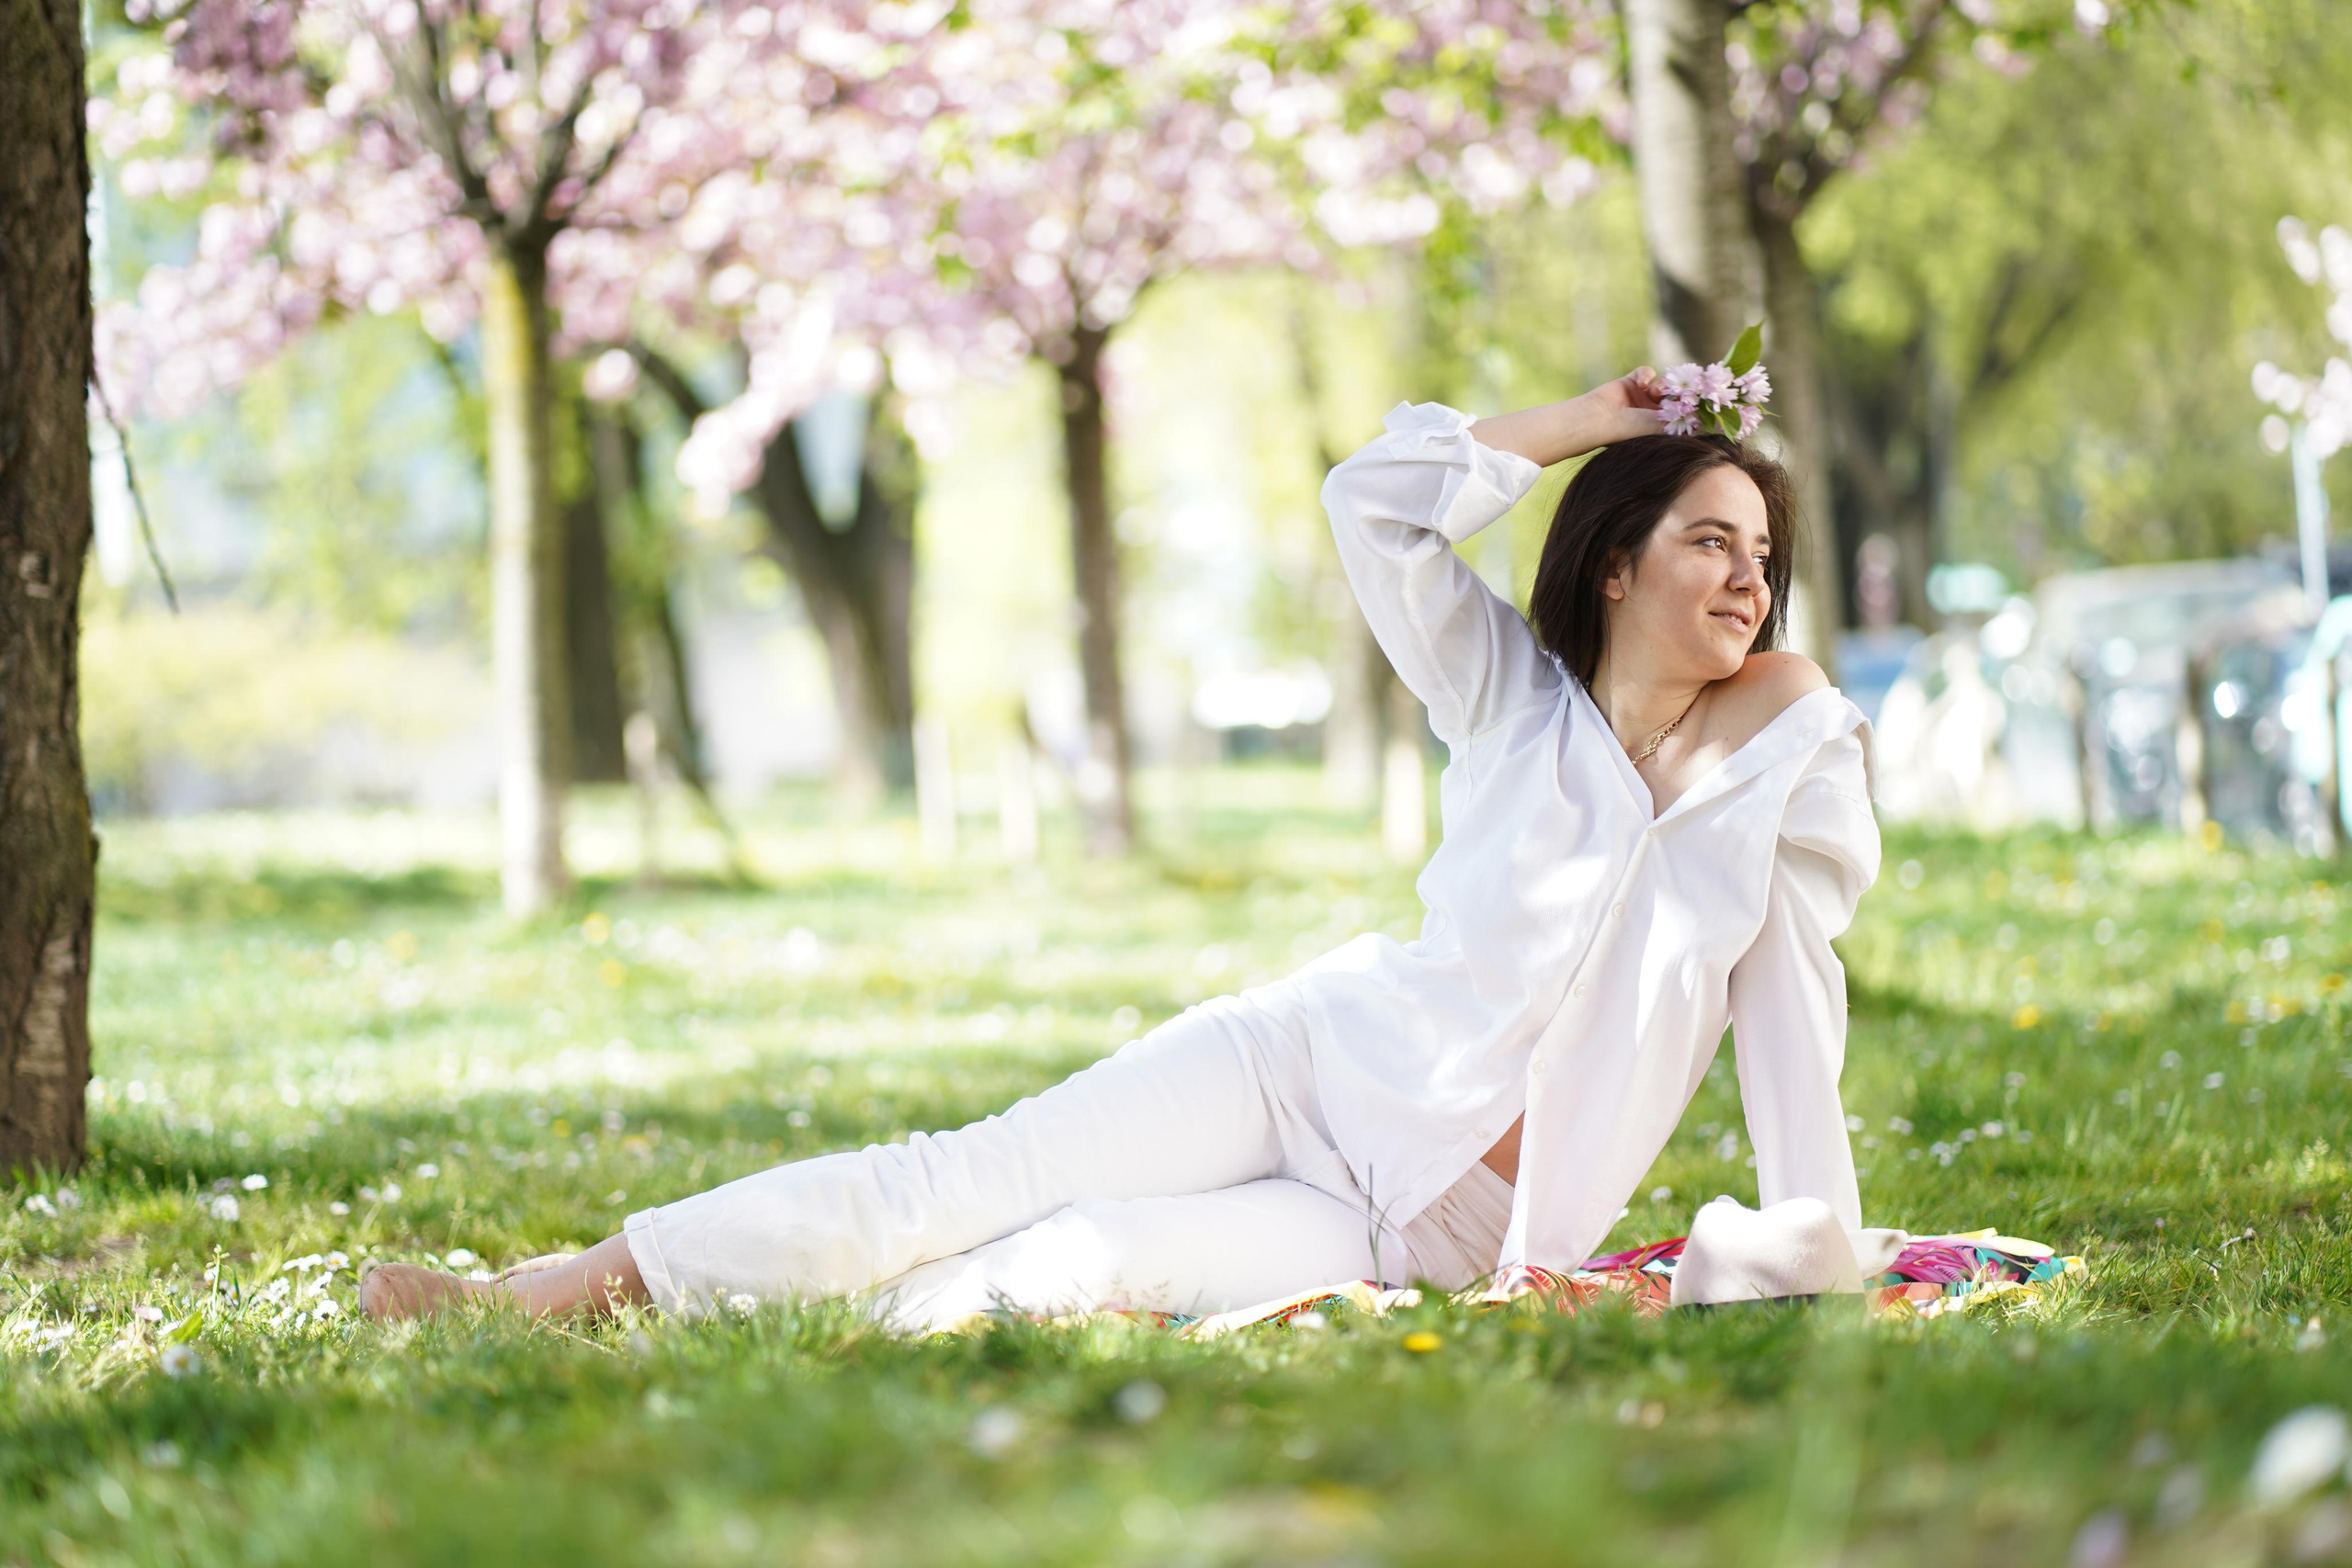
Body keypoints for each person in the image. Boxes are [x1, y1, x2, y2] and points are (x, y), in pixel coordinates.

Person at [360, 368, 1880, 1328]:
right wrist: (1602, 418)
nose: (1747, 581)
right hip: (1303, 1061)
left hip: (1428, 1225)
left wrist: (1817, 1229)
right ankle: (549, 1294)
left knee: (1083, 1264)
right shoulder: (1509, 697)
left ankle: (772, 1321)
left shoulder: (1767, 768)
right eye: (1708, 540)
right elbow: (1375, 505)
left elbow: (1792, 993)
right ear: (1613, 563)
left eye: (1763, 556)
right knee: (963, 1178)